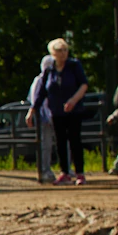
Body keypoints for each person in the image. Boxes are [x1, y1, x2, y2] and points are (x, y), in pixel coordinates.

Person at [39, 38, 89, 185]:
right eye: (60, 51)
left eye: (65, 50)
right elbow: (42, 92)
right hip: (57, 111)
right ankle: (64, 173)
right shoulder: (50, 70)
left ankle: (80, 172)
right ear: (53, 53)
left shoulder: (74, 66)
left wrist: (73, 100)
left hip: (74, 111)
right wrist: (33, 109)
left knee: (75, 140)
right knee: (60, 142)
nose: (63, 53)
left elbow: (84, 84)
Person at [25, 54, 56, 184]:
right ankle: (45, 169)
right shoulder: (39, 80)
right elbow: (35, 99)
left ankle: (66, 169)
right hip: (44, 117)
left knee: (63, 143)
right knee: (46, 144)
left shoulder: (56, 78)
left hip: (56, 115)